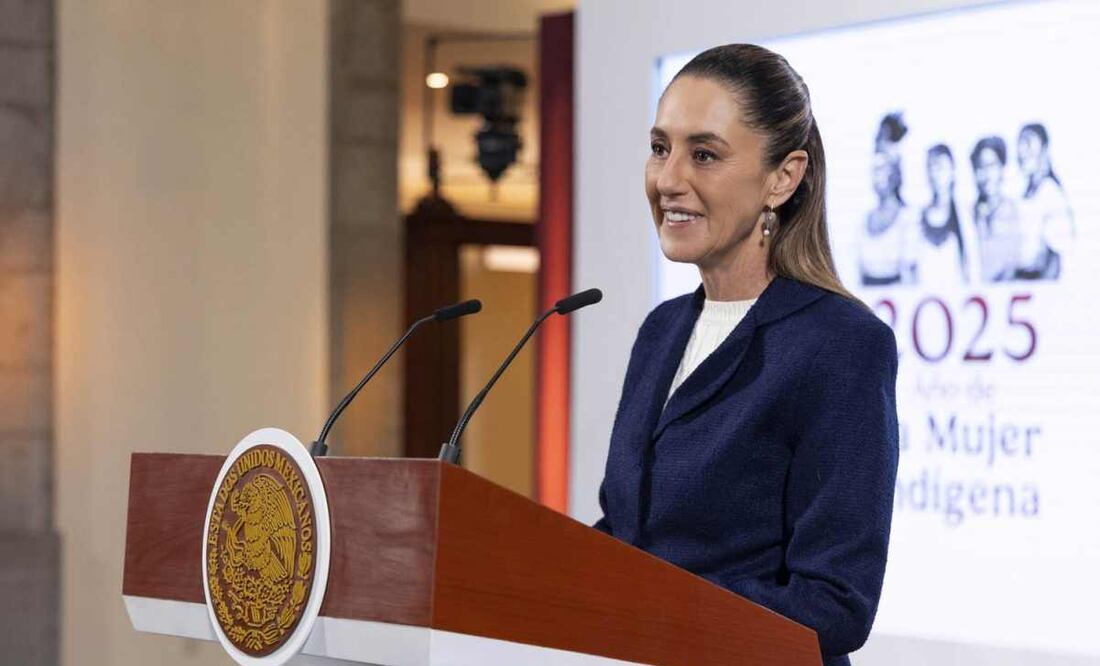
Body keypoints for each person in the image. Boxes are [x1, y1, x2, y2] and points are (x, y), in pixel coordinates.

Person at [592, 44, 899, 666]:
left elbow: (836, 603)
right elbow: (627, 534)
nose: (668, 179)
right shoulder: (661, 330)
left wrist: (657, 611)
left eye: (703, 154)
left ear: (783, 178)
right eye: (660, 148)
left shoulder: (841, 344)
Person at [859, 113, 917, 286]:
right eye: (876, 168)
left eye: (884, 167)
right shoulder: (863, 221)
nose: (879, 175)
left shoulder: (908, 219)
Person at [1015, 123, 1073, 280]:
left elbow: (1056, 256)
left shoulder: (1050, 193)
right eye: (1019, 144)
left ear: (1045, 149)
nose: (1022, 152)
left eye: (1028, 143)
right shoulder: (1027, 194)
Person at [912, 144, 970, 285]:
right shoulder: (917, 218)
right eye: (931, 167)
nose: (935, 173)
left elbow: (971, 265)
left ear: (952, 171)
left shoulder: (965, 216)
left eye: (940, 167)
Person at [970, 136, 1020, 282]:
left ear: (1002, 168)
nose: (985, 175)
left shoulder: (1013, 213)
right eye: (980, 167)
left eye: (991, 166)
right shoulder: (968, 215)